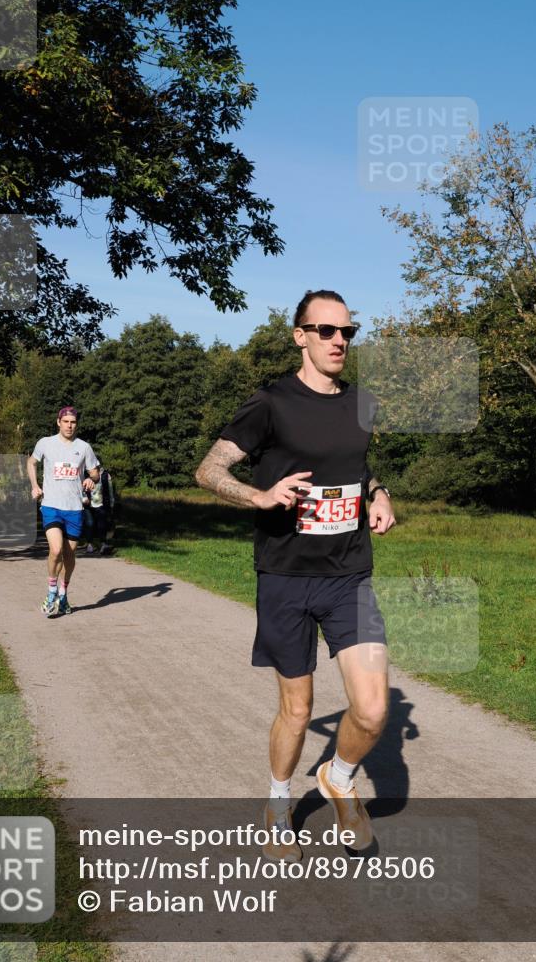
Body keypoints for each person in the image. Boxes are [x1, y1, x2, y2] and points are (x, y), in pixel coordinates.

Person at [195, 289, 396, 861]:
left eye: (348, 332)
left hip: (348, 574)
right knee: (299, 710)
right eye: (327, 331)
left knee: (374, 708)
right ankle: (279, 800)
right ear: (300, 336)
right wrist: (258, 495)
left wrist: (379, 494)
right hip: (285, 575)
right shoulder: (270, 404)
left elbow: (357, 468)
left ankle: (338, 776)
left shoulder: (362, 403)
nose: (339, 341)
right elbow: (208, 469)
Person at [27, 407, 99, 616]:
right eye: (65, 421)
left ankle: (63, 594)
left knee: (69, 555)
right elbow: (31, 462)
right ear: (58, 422)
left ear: (77, 424)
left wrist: (90, 479)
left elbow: (95, 472)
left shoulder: (84, 447)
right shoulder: (45, 443)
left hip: (74, 508)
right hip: (51, 506)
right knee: (56, 550)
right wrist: (34, 484)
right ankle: (50, 595)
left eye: (73, 422)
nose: (69, 425)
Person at [83, 466, 115, 554]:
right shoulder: (84, 474)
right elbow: (80, 489)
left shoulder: (105, 475)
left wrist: (111, 504)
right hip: (88, 504)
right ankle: (90, 544)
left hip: (101, 504)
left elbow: (110, 490)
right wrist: (83, 499)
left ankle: (103, 544)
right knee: (89, 523)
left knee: (102, 524)